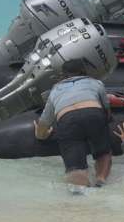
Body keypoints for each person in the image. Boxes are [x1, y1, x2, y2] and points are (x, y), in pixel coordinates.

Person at [34, 60, 113, 188]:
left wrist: (41, 135)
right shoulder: (96, 83)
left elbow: (44, 121)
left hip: (67, 119)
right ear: (84, 71)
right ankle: (100, 180)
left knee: (76, 169)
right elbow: (107, 110)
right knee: (103, 153)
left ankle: (79, 190)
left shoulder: (55, 89)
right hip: (93, 114)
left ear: (63, 74)